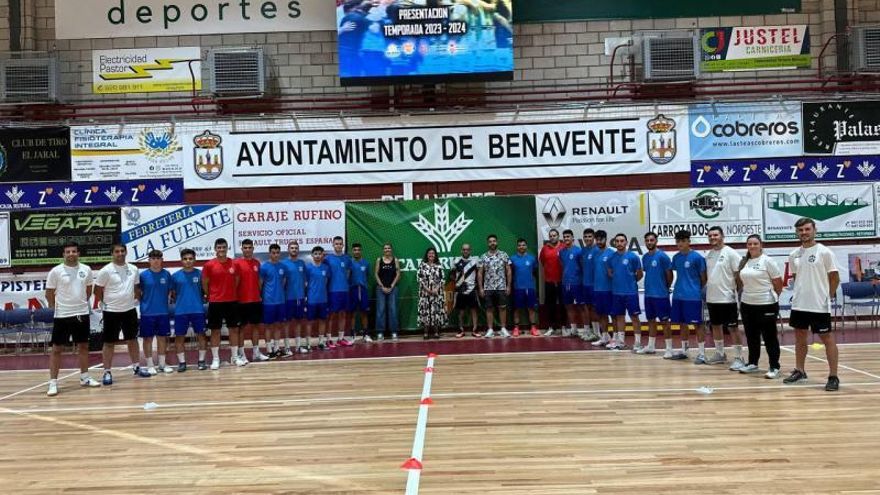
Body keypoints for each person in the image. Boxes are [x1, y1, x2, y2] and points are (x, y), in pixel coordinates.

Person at [784, 217, 841, 391]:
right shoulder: (794, 255)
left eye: (807, 229)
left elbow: (834, 277)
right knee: (800, 337)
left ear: (814, 230)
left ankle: (833, 376)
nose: (804, 233)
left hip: (819, 305)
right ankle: (800, 370)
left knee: (827, 339)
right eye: (800, 230)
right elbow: (796, 278)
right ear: (797, 233)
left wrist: (827, 296)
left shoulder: (824, 252)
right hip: (800, 304)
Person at [45, 241, 101, 396]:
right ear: (63, 254)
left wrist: (81, 304)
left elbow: (89, 290)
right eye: (68, 252)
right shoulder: (55, 271)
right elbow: (49, 293)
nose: (71, 254)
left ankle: (84, 377)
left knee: (83, 347)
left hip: (81, 314)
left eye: (74, 251)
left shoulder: (86, 269)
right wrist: (54, 308)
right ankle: (53, 383)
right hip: (62, 315)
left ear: (78, 253)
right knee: (57, 349)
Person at [94, 243, 150, 385]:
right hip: (111, 311)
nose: (120, 254)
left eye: (122, 251)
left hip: (129, 310)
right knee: (109, 342)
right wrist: (104, 303)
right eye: (117, 251)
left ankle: (136, 367)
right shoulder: (105, 270)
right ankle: (107, 372)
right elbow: (97, 290)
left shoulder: (133, 269)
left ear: (126, 252)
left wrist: (136, 299)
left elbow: (136, 287)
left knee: (132, 340)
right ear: (112, 253)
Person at [735, 235, 784, 378]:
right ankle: (752, 363)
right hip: (747, 304)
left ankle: (774, 366)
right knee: (751, 336)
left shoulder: (768, 261)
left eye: (755, 243)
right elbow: (741, 282)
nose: (752, 246)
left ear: (761, 245)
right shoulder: (744, 262)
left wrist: (771, 298)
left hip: (766, 304)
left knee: (769, 337)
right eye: (749, 244)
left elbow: (778, 284)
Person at [704, 226, 745, 369]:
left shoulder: (730, 253)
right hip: (712, 298)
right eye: (710, 236)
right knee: (715, 326)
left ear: (722, 236)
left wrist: (736, 291)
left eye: (715, 235)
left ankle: (739, 357)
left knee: (733, 328)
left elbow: (739, 274)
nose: (712, 238)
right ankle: (720, 354)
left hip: (728, 298)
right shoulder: (709, 254)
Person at [203, 238, 241, 369]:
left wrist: (230, 293)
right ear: (215, 249)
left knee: (234, 330)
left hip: (231, 301)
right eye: (219, 247)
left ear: (227, 248)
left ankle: (235, 358)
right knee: (215, 331)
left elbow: (236, 280)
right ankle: (215, 359)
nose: (221, 250)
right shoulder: (209, 265)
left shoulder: (234, 264)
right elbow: (205, 283)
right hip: (215, 302)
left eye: (223, 247)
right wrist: (210, 295)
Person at [670, 230, 707, 360]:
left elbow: (704, 278)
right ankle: (685, 351)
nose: (680, 243)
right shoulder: (676, 257)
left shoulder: (697, 257)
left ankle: (702, 353)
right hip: (678, 296)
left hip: (693, 296)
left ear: (688, 242)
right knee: (682, 324)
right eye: (678, 241)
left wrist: (696, 290)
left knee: (698, 324)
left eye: (683, 241)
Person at [170, 248, 207, 371]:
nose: (188, 261)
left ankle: (201, 361)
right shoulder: (175, 276)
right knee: (179, 337)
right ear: (181, 260)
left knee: (201, 335)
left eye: (190, 259)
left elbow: (205, 291)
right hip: (181, 311)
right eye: (185, 259)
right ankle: (182, 363)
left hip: (198, 310)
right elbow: (173, 294)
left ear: (195, 259)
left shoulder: (200, 274)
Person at [138, 250, 174, 375]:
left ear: (161, 259)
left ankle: (162, 364)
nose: (156, 260)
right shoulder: (142, 276)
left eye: (158, 258)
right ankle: (149, 365)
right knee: (147, 339)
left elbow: (170, 292)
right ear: (149, 260)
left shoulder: (167, 274)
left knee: (162, 339)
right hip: (147, 313)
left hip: (163, 312)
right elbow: (138, 293)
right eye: (153, 258)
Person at [608, 233, 643, 351]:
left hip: (631, 292)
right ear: (614, 243)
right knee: (619, 317)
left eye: (622, 241)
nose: (619, 243)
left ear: (626, 242)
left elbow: (639, 274)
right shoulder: (612, 258)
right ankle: (621, 341)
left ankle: (637, 342)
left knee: (634, 317)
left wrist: (630, 282)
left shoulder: (633, 257)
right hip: (617, 293)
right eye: (617, 241)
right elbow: (610, 273)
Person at [235, 239, 267, 363]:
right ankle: (241, 354)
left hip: (255, 300)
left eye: (249, 247)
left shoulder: (257, 263)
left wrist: (259, 295)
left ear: (253, 249)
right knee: (241, 329)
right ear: (242, 249)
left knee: (256, 327)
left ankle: (256, 353)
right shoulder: (236, 263)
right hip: (241, 301)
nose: (247, 249)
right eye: (245, 247)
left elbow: (259, 282)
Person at [640, 232, 672, 356]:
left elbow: (669, 274)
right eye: (647, 240)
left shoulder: (663, 256)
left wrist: (665, 288)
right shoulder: (645, 257)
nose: (649, 242)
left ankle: (669, 349)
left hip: (661, 295)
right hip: (648, 295)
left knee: (665, 322)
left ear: (656, 241)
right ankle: (651, 346)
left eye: (651, 240)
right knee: (651, 321)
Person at [478, 234, 512, 338]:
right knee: (489, 308)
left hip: (501, 286)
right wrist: (480, 288)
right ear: (488, 243)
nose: (492, 243)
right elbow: (480, 273)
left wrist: (509, 286)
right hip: (488, 287)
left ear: (497, 242)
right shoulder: (483, 257)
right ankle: (490, 329)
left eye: (494, 241)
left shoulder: (504, 255)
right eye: (490, 241)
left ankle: (503, 328)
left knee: (502, 308)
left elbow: (508, 271)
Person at [259, 244, 287, 359]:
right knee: (268, 326)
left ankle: (276, 348)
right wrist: (262, 296)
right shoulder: (264, 266)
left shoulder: (282, 266)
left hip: (280, 300)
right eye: (273, 252)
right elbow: (260, 283)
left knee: (278, 325)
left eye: (277, 252)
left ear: (279, 253)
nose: (275, 255)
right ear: (269, 253)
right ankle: (269, 350)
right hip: (268, 301)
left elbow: (284, 281)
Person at [326, 236, 353, 348]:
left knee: (343, 314)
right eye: (336, 243)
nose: (338, 245)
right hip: (333, 291)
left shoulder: (347, 258)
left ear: (343, 245)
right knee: (331, 315)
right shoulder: (328, 259)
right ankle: (328, 340)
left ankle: (341, 339)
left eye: (340, 244)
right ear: (333, 245)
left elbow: (348, 273)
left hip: (344, 290)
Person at [510, 238, 539, 337]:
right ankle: (516, 328)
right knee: (517, 309)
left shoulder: (532, 258)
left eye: (523, 245)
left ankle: (533, 328)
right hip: (517, 288)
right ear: (517, 247)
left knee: (531, 308)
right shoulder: (512, 259)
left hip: (530, 287)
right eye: (519, 245)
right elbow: (510, 273)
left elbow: (535, 272)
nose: (521, 247)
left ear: (526, 246)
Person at [450, 243, 481, 338]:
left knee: (474, 310)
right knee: (461, 312)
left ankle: (475, 330)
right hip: (460, 290)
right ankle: (461, 330)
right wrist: (457, 283)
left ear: (470, 250)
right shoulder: (455, 261)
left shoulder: (475, 260)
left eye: (467, 249)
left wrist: (477, 286)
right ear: (461, 250)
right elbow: (451, 275)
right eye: (464, 249)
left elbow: (479, 275)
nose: (465, 251)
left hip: (472, 290)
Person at [282, 241, 307, 354]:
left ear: (298, 249)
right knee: (287, 322)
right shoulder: (284, 263)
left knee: (298, 321)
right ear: (288, 249)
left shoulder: (302, 263)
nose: (294, 249)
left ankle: (298, 346)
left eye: (296, 248)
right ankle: (287, 347)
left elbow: (304, 280)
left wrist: (305, 295)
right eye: (292, 248)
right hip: (288, 297)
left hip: (300, 297)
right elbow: (282, 282)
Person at [539, 229, 565, 336]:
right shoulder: (545, 249)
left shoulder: (564, 247)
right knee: (550, 305)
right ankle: (551, 327)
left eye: (554, 235)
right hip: (549, 281)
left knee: (563, 305)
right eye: (551, 235)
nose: (552, 237)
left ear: (558, 236)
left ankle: (564, 327)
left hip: (562, 281)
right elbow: (543, 262)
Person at [591, 230, 615, 347]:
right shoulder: (595, 253)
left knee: (613, 315)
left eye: (601, 239)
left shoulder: (611, 253)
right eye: (598, 239)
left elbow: (614, 273)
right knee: (601, 314)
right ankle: (604, 337)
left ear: (606, 239)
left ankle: (615, 339)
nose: (599, 241)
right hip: (597, 289)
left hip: (609, 290)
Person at [305, 246, 331, 350]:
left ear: (322, 255)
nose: (317, 256)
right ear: (312, 255)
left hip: (323, 299)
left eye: (319, 254)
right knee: (309, 321)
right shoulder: (308, 268)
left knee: (322, 321)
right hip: (311, 299)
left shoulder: (326, 268)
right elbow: (305, 283)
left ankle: (321, 342)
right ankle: (308, 343)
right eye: (315, 254)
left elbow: (326, 282)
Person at [418, 247, 447, 339]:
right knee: (425, 312)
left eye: (433, 253)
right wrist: (428, 290)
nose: (431, 255)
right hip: (425, 294)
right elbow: (419, 279)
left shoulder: (439, 266)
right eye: (429, 253)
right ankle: (426, 333)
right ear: (427, 255)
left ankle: (436, 332)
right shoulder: (422, 266)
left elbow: (442, 279)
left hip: (436, 294)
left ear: (435, 255)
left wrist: (436, 289)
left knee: (436, 312)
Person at [374, 242, 401, 342]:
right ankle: (380, 333)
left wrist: (391, 286)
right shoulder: (379, 260)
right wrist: (382, 286)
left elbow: (398, 274)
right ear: (383, 250)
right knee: (380, 310)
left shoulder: (395, 260)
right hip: (381, 288)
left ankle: (394, 332)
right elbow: (376, 274)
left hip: (393, 288)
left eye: (389, 248)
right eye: (385, 248)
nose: (387, 250)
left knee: (393, 310)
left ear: (391, 250)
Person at [558, 229, 582, 338]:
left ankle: (586, 330)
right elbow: (563, 265)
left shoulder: (579, 251)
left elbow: (582, 267)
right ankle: (573, 329)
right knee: (569, 306)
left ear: (573, 238)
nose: (566, 239)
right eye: (565, 237)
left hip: (577, 283)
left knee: (581, 307)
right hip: (565, 283)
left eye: (568, 236)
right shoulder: (562, 252)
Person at [579, 228, 600, 341]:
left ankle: (597, 333)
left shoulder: (597, 250)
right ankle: (589, 331)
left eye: (590, 236)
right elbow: (582, 266)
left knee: (595, 309)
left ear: (594, 238)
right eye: (585, 237)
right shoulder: (582, 251)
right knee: (586, 308)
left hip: (595, 285)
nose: (587, 239)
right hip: (585, 284)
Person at [349, 243, 371, 342]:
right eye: (355, 250)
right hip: (352, 289)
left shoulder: (366, 263)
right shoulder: (349, 263)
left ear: (361, 251)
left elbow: (367, 275)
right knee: (352, 313)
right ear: (352, 251)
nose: (357, 251)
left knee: (364, 312)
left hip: (363, 289)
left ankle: (365, 334)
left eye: (358, 250)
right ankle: (352, 335)